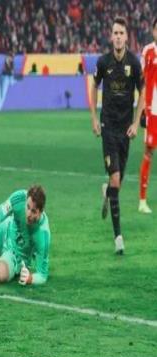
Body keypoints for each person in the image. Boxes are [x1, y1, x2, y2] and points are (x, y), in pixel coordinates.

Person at [89, 17, 144, 255]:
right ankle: (118, 237)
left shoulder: (134, 63)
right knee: (115, 178)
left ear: (126, 36)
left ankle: (107, 192)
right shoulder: (103, 62)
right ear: (111, 37)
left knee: (116, 184)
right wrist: (94, 117)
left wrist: (136, 122)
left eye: (122, 33)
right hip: (108, 127)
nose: (118, 37)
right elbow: (93, 86)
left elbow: (143, 91)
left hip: (125, 130)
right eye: (115, 33)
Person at [138, 17, 157, 214]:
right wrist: (143, 109)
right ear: (153, 31)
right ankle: (142, 201)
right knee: (149, 152)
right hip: (153, 112)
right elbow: (141, 82)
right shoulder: (148, 51)